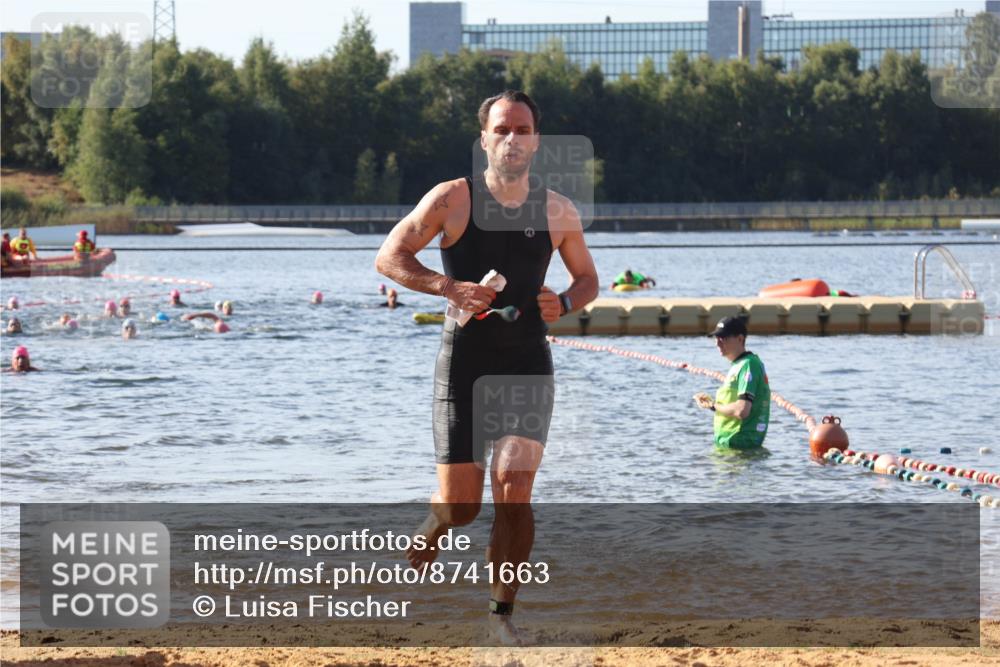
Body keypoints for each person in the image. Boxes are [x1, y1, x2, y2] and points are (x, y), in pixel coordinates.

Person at [375, 90, 598, 646]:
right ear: (484, 139)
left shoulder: (558, 211)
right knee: (462, 505)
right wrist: (446, 286)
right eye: (502, 129)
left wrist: (565, 303)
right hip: (465, 364)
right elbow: (390, 256)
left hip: (527, 361)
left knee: (515, 487)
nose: (512, 139)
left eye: (522, 130)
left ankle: (500, 616)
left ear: (536, 140)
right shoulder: (453, 200)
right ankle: (436, 522)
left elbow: (588, 280)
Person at [694, 316, 771, 450]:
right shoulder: (739, 365)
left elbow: (742, 410)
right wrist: (711, 405)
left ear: (740, 339)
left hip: (741, 447)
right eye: (716, 338)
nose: (717, 343)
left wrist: (714, 406)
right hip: (730, 445)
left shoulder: (749, 365)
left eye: (723, 338)